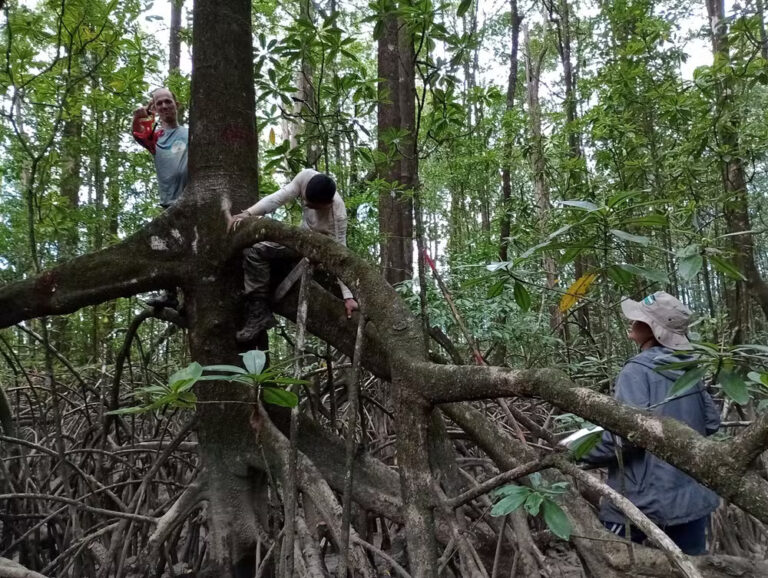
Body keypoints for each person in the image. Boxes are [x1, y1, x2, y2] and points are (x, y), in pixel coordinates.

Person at [583, 291, 720, 555]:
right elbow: (711, 422)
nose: (632, 323)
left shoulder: (636, 370)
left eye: (638, 319)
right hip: (691, 499)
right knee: (689, 569)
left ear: (652, 330)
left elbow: (627, 436)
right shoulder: (689, 367)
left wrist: (578, 451)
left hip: (641, 501)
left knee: (615, 562)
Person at [229, 169, 358, 342]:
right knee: (254, 245)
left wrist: (348, 296)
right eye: (305, 200)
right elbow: (278, 198)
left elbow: (340, 253)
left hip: (312, 248)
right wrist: (248, 213)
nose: (305, 205)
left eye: (311, 205)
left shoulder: (337, 216)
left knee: (256, 250)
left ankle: (258, 310)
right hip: (296, 236)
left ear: (326, 205)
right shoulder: (306, 177)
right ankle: (258, 306)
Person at [132, 88, 189, 309]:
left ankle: (183, 297)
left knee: (184, 248)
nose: (165, 106)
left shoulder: (190, 132)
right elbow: (137, 133)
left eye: (168, 102)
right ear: (154, 108)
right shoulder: (155, 138)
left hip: (191, 200)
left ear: (177, 104)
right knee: (164, 247)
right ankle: (171, 295)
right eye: (159, 104)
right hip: (169, 202)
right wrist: (140, 115)